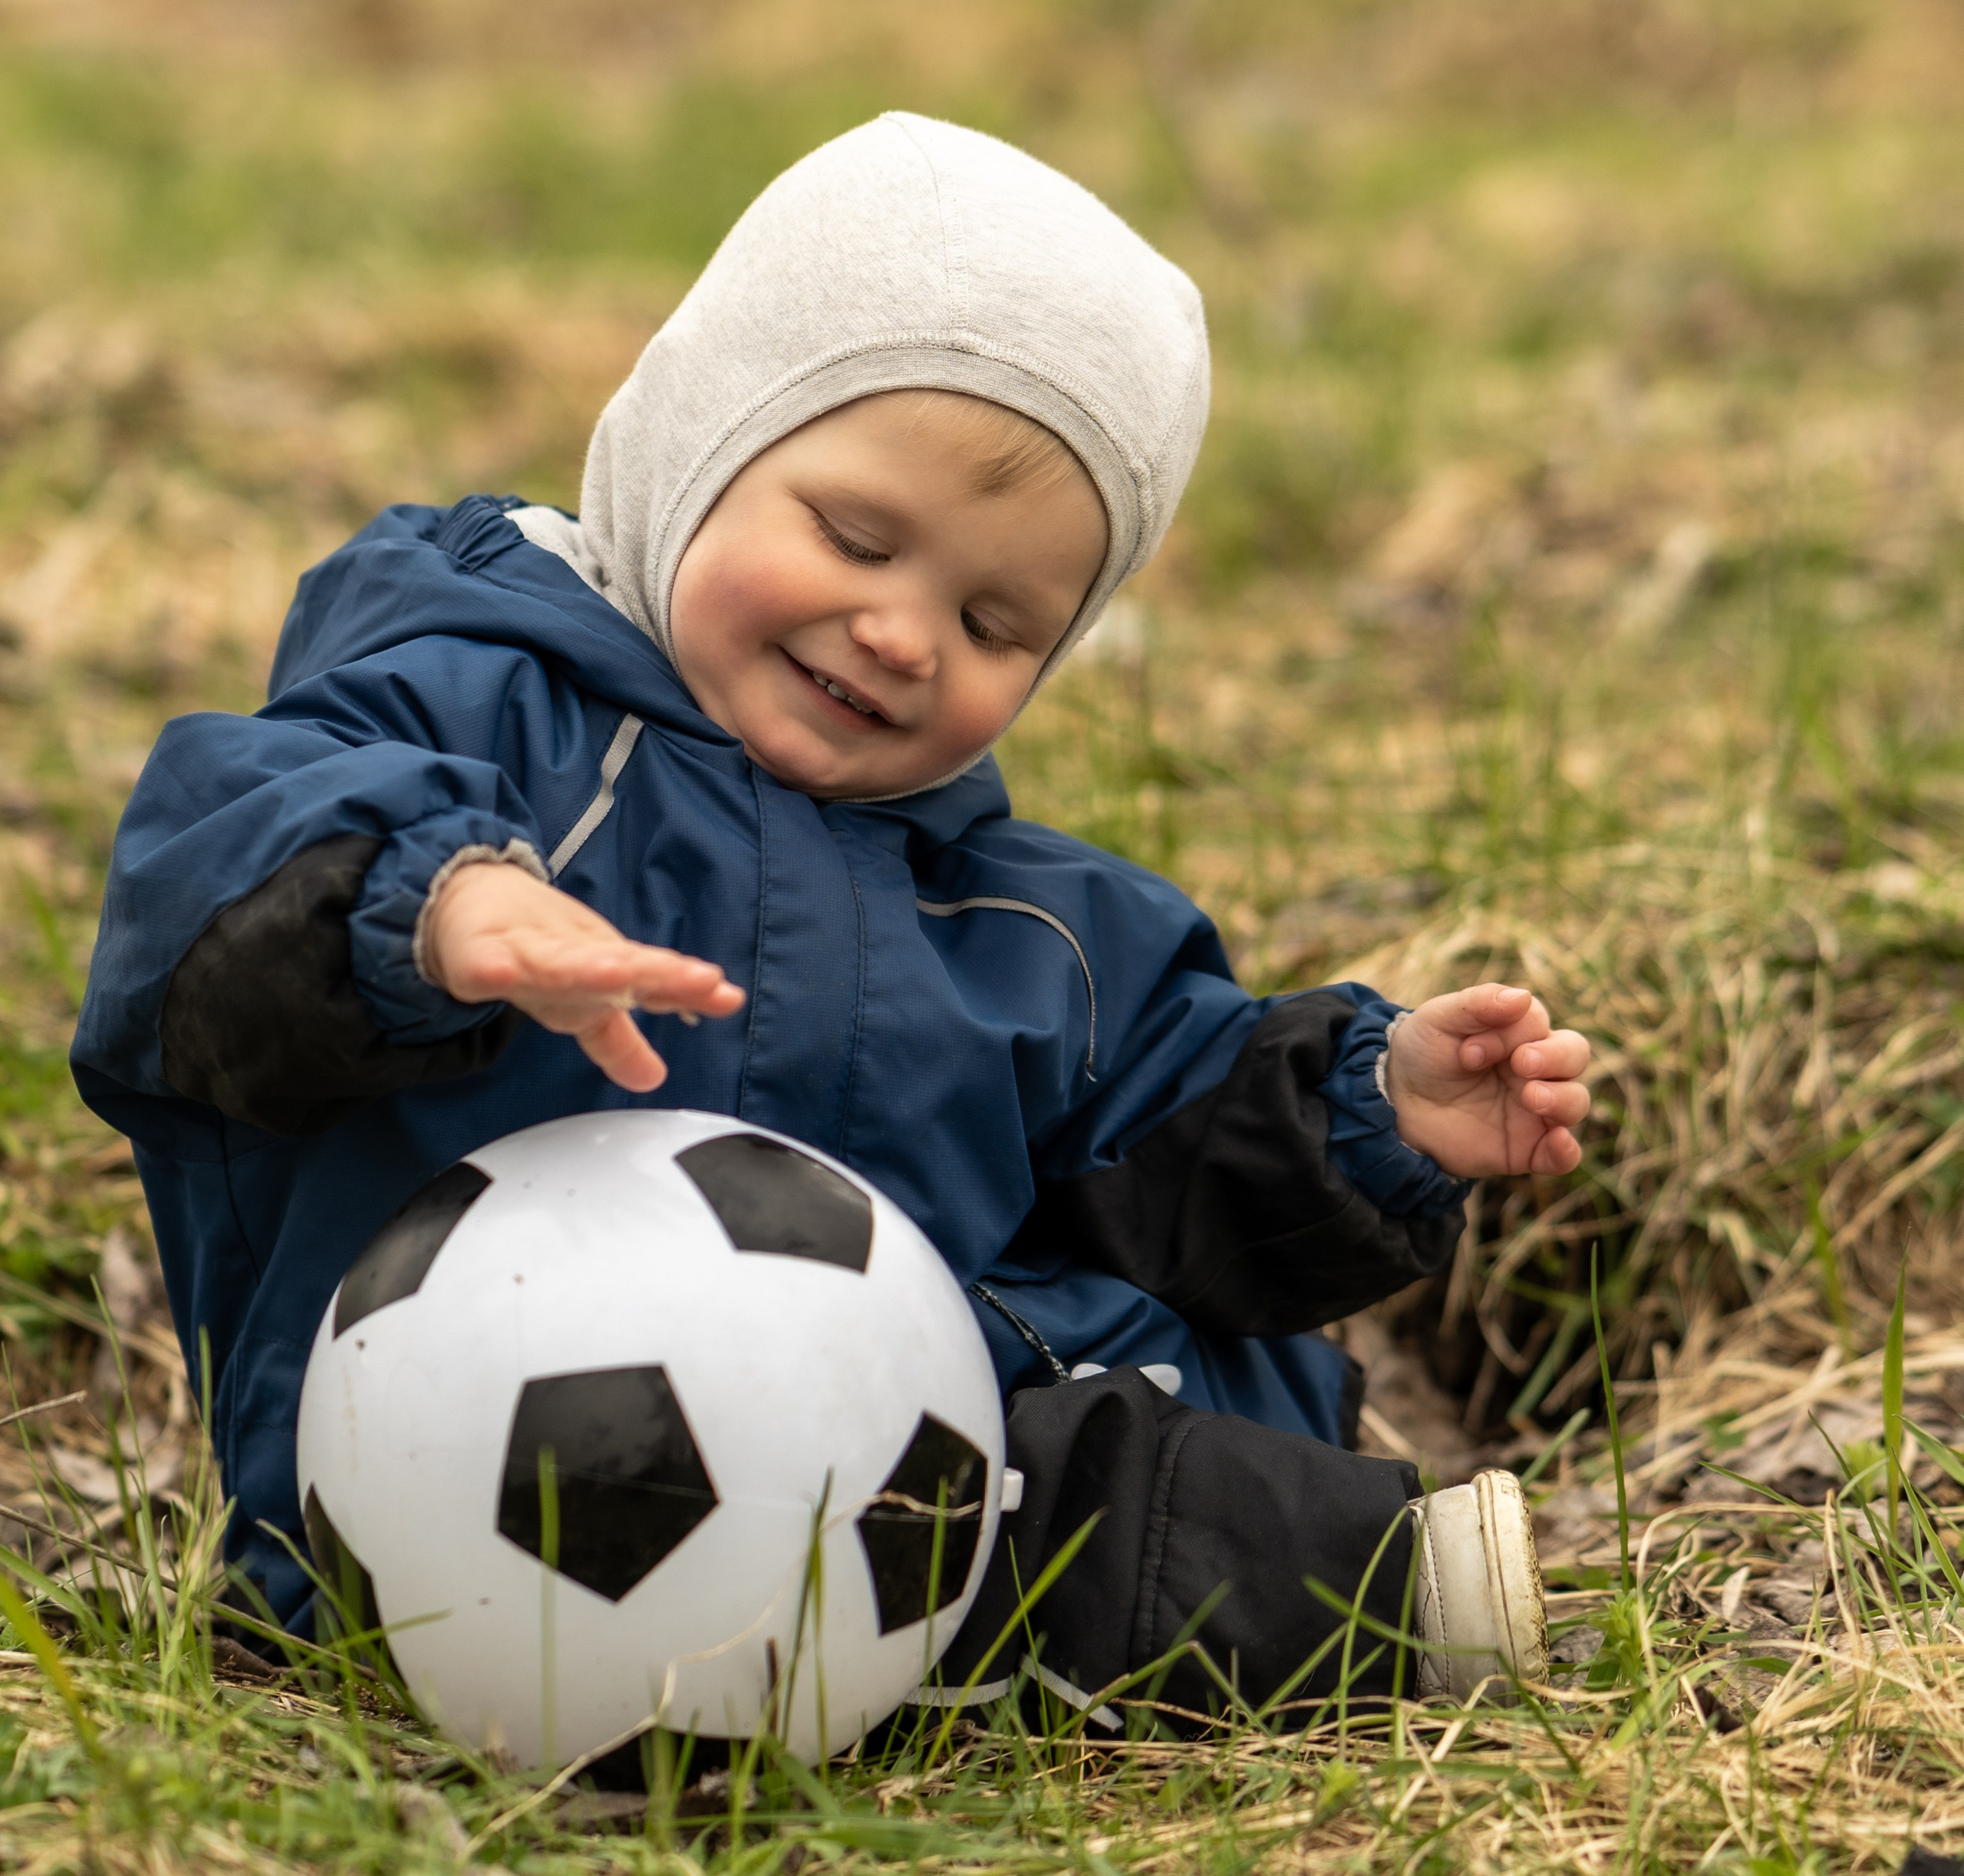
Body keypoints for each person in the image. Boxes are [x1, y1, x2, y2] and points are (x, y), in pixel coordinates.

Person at [72, 114, 1589, 1719]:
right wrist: (430, 908)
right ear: (698, 442)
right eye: (855, 538)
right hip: (426, 1510)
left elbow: (1164, 1110)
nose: (900, 632)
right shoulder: (461, 711)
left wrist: (1369, 1114)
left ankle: (1344, 1525)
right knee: (1061, 1502)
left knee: (1109, 1377)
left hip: (860, 1489)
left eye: (994, 620)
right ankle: (1359, 1587)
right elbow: (208, 867)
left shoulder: (1009, 912)